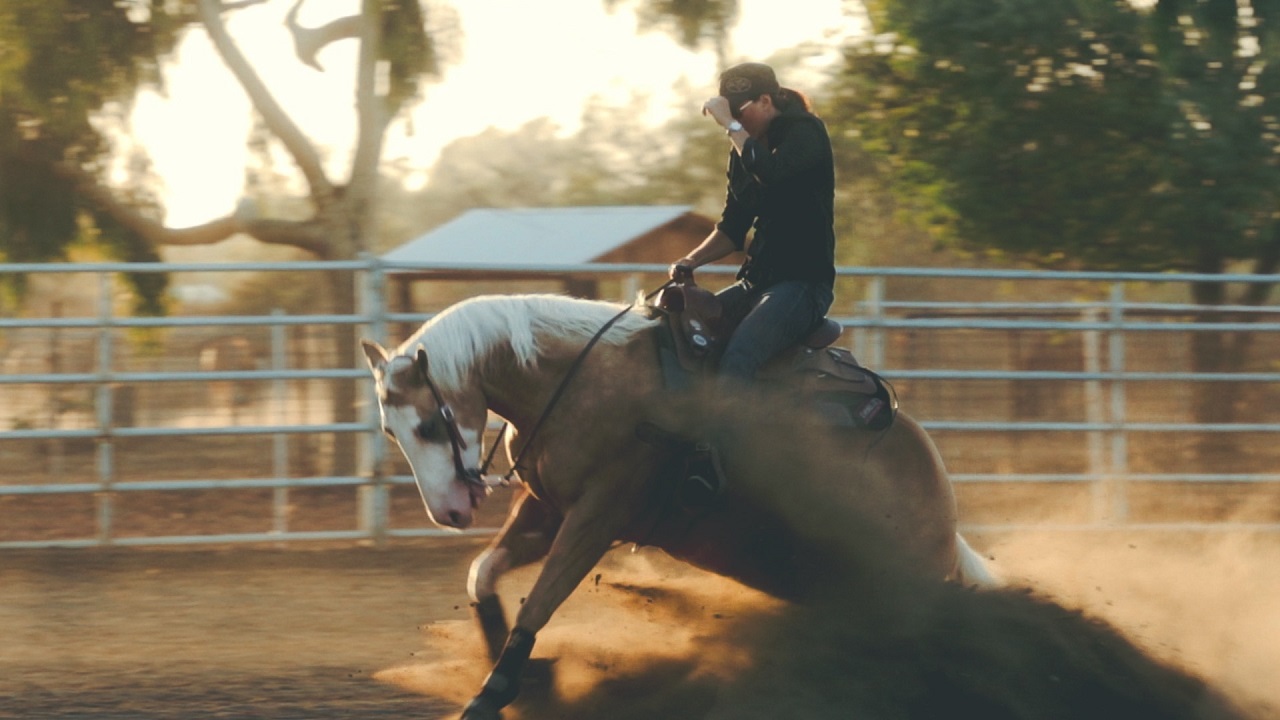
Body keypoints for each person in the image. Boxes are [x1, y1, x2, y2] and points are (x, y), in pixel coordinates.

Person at [669, 61, 836, 387]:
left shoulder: (805, 132)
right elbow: (732, 228)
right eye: (728, 116)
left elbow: (770, 173)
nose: (734, 122)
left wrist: (732, 127)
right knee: (679, 333)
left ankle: (729, 439)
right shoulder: (743, 149)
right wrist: (691, 261)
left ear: (765, 101)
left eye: (739, 112)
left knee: (738, 358)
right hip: (757, 282)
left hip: (802, 286)